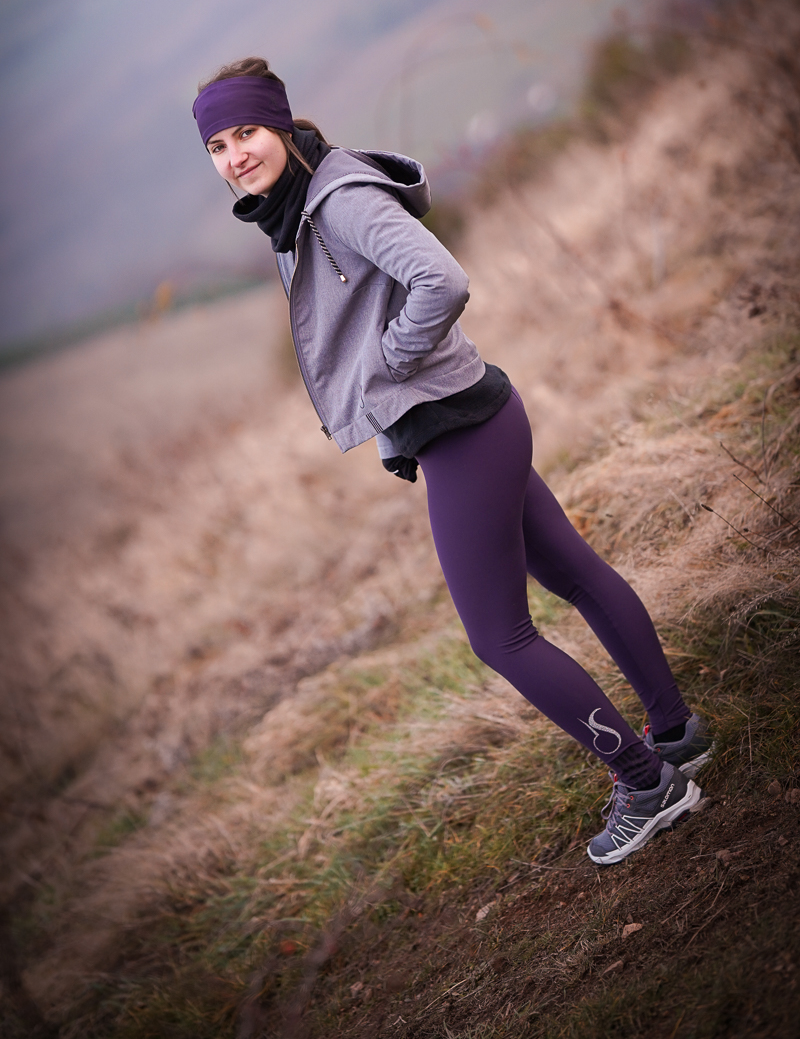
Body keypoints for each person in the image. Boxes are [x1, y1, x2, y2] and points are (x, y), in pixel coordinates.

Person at [192, 57, 714, 865]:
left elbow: (440, 277)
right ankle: (676, 734)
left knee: (500, 638)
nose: (235, 156)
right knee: (575, 575)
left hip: (461, 430)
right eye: (218, 145)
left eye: (247, 133)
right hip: (475, 419)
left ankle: (649, 784)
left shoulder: (338, 201)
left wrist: (390, 365)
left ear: (283, 127)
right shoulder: (299, 209)